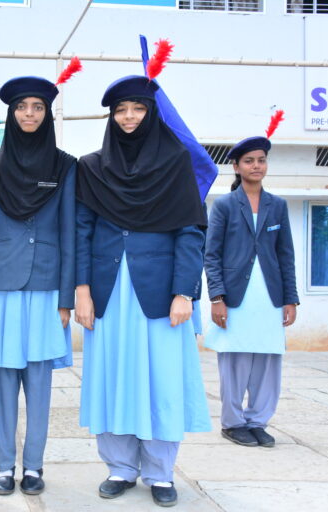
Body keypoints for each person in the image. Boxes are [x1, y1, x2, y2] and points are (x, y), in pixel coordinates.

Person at [75, 76, 211, 507]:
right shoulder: (92, 167)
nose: (129, 117)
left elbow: (191, 232)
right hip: (108, 292)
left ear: (151, 113)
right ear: (111, 117)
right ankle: (120, 467)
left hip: (159, 294)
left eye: (137, 108)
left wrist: (184, 292)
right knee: (112, 377)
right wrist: (81, 288)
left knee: (161, 381)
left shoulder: (177, 164)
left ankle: (159, 471)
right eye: (120, 110)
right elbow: (81, 231)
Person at [0, 75, 76, 497]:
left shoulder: (66, 166)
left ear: (47, 113)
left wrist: (66, 297)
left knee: (39, 386)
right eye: (21, 107)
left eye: (37, 106)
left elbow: (69, 231)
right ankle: (2, 465)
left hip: (47, 288)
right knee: (1, 387)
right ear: (11, 114)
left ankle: (33, 466)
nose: (29, 114)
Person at [203, 131, 299, 449]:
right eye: (249, 161)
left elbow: (286, 254)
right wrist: (217, 297)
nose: (256, 166)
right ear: (236, 166)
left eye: (261, 160)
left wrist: (290, 299)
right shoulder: (225, 206)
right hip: (235, 296)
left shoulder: (278, 205)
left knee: (269, 359)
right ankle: (233, 423)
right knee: (236, 360)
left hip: (270, 296)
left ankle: (258, 421)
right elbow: (211, 254)